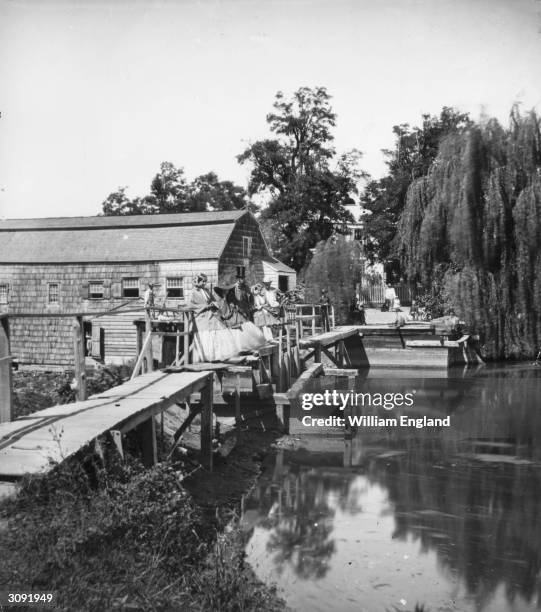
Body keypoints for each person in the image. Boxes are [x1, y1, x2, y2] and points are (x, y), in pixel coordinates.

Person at [186, 273, 238, 362]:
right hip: (200, 317)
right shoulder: (192, 293)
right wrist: (204, 307)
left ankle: (216, 356)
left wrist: (214, 304)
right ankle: (205, 357)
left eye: (205, 282)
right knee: (205, 336)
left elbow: (213, 300)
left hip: (210, 315)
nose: (204, 283)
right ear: (196, 281)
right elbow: (190, 305)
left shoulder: (206, 291)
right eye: (203, 281)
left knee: (219, 331)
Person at [213, 281, 266, 352]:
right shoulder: (221, 299)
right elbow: (222, 310)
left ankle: (245, 347)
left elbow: (237, 302)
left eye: (227, 289)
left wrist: (234, 306)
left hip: (235, 315)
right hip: (227, 317)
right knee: (232, 332)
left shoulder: (231, 295)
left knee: (242, 329)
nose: (226, 291)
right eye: (224, 290)